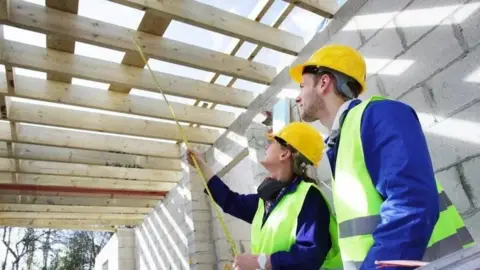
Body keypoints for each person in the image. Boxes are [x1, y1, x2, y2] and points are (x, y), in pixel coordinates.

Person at [289, 44, 475, 269]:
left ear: (324, 83)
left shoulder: (377, 115)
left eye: (302, 86)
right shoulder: (345, 138)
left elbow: (411, 205)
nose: (297, 98)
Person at [186, 122, 342, 270]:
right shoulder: (267, 201)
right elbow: (230, 201)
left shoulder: (309, 197)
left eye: (273, 142)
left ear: (285, 153)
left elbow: (310, 256)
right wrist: (201, 165)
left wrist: (258, 261)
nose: (267, 145)